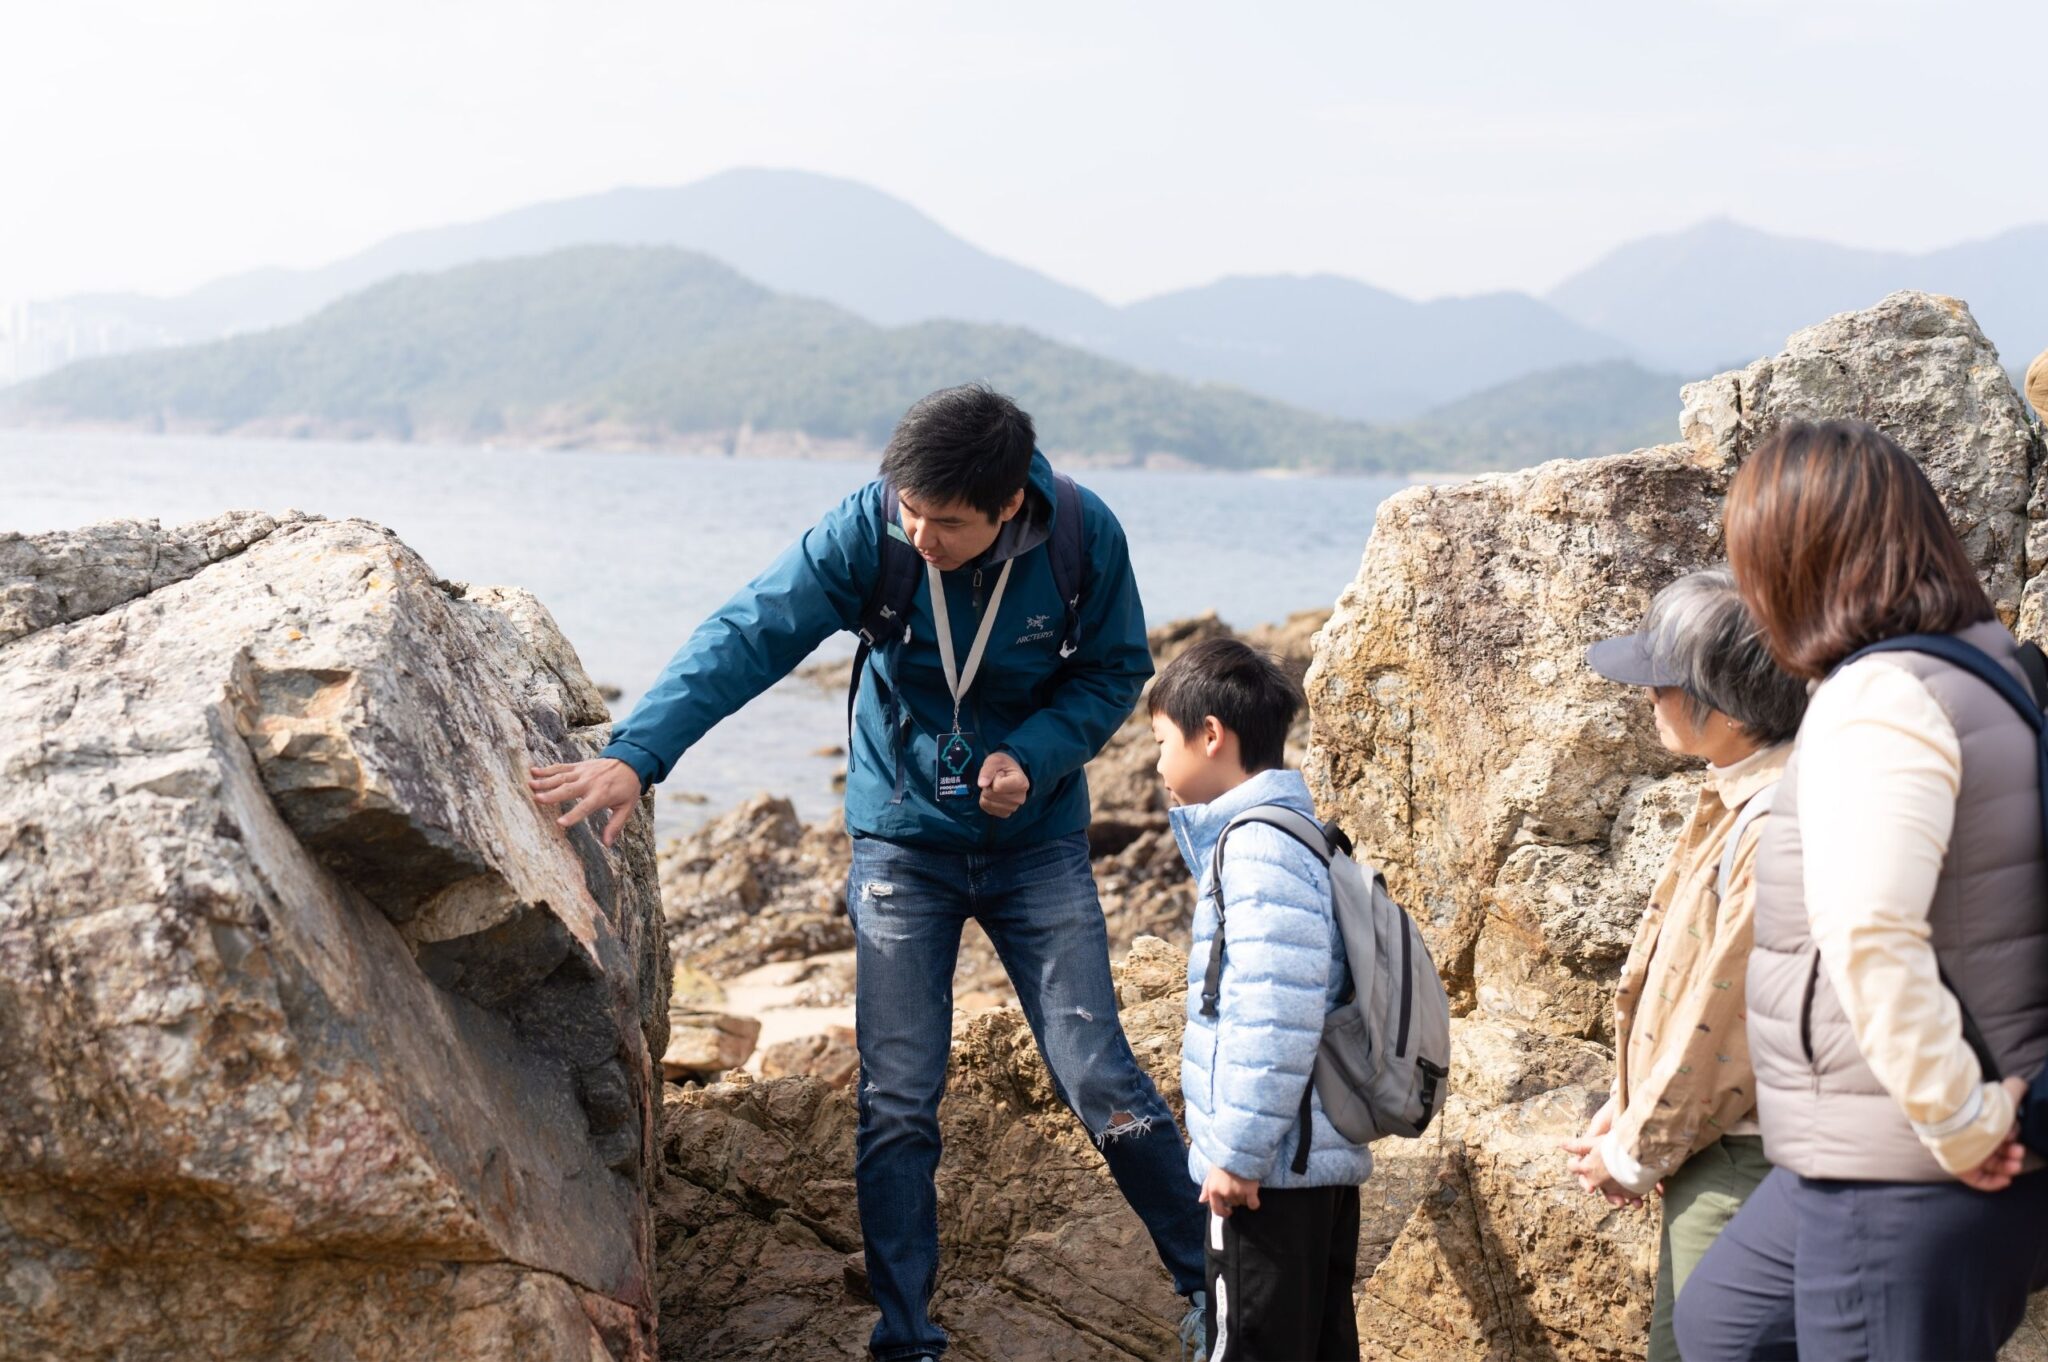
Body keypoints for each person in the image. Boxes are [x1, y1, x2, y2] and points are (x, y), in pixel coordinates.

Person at [529, 385, 1206, 1362]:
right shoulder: (870, 530)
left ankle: (1215, 1289)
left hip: (1035, 844)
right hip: (901, 842)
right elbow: (751, 631)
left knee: (1098, 1071)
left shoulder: (1080, 536)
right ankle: (905, 1338)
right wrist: (638, 752)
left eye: (948, 522)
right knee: (897, 1095)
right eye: (910, 510)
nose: (921, 534)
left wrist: (1037, 752)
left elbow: (1112, 670)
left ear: (1010, 503)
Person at [1676, 419, 2048, 1361]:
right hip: (1856, 1150)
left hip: (1910, 1162)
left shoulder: (1883, 697)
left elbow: (1873, 933)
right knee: (1725, 1324)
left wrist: (1960, 1122)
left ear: (1798, 559)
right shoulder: (1984, 661)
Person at [1561, 567, 1806, 1362]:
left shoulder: (1772, 821)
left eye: (1664, 683)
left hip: (1745, 1161)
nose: (1649, 698)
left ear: (1727, 704)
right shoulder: (1745, 795)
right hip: (1719, 1147)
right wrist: (1630, 1110)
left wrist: (1634, 1152)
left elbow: (1720, 1010)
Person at [1150, 637, 1372, 1362]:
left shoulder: (1255, 848)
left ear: (1210, 735)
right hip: (1308, 1162)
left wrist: (1238, 1155)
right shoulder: (1294, 833)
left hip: (1269, 1173)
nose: (1155, 765)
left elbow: (1275, 1011)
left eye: (1160, 743)